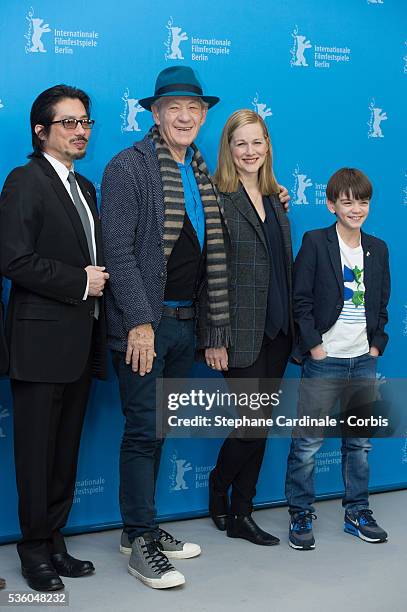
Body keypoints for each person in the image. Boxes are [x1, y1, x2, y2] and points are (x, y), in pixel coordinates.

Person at [101, 66, 291, 589]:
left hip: (187, 322)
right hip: (147, 324)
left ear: (203, 116)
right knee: (142, 432)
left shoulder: (203, 174)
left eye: (193, 109)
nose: (184, 116)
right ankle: (141, 542)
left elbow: (218, 253)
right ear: (156, 114)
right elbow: (116, 249)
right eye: (173, 108)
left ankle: (139, 528)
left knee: (158, 430)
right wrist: (140, 322)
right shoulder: (129, 167)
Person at [0, 85, 108, 591]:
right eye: (69, 122)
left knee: (65, 452)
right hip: (40, 345)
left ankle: (55, 540)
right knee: (36, 454)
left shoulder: (85, 188)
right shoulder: (25, 181)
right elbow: (13, 259)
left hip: (79, 344)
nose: (81, 130)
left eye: (85, 121)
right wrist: (78, 282)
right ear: (41, 131)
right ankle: (33, 549)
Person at [284, 168, 390, 550]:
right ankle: (300, 512)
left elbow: (381, 303)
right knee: (308, 442)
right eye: (347, 201)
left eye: (362, 201)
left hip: (363, 360)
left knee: (359, 443)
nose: (355, 208)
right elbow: (302, 300)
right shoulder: (315, 242)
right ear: (331, 205)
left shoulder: (378, 248)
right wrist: (315, 347)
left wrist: (375, 346)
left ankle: (357, 511)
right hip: (324, 360)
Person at [204, 110, 294, 545]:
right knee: (251, 424)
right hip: (238, 332)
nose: (249, 151)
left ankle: (242, 510)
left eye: (257, 142)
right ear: (228, 148)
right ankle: (220, 486)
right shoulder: (218, 198)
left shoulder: (277, 197)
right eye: (240, 143)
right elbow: (209, 275)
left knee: (260, 424)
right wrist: (215, 337)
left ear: (268, 146)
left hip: (278, 329)